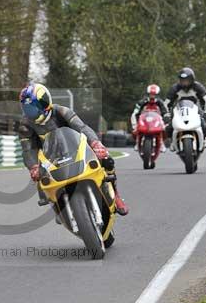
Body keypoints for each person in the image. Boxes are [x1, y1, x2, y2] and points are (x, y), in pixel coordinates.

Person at [18, 83, 129, 216]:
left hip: (75, 148)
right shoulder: (25, 124)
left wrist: (95, 143)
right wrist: (33, 166)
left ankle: (115, 195)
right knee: (41, 183)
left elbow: (82, 128)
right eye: (28, 109)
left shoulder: (61, 111)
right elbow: (27, 149)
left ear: (45, 102)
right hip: (49, 157)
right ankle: (58, 207)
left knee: (106, 159)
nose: (31, 112)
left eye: (34, 108)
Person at [164, 67, 206, 148]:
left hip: (195, 109)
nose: (185, 83)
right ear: (179, 80)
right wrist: (166, 113)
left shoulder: (198, 87)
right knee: (169, 125)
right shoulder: (175, 88)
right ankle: (172, 140)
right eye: (183, 80)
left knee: (204, 122)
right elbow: (166, 103)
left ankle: (204, 138)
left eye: (187, 80)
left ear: (192, 79)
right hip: (179, 110)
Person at [130, 84, 169, 153]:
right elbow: (136, 112)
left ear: (157, 95)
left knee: (165, 129)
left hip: (156, 120)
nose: (152, 96)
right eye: (151, 94)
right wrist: (135, 123)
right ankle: (137, 142)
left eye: (154, 95)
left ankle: (161, 143)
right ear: (148, 94)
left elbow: (165, 112)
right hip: (145, 120)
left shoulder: (160, 102)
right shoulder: (142, 102)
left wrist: (166, 119)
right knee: (135, 128)